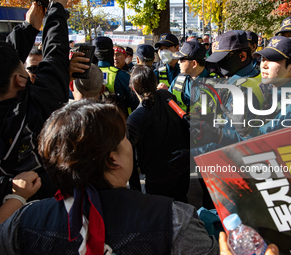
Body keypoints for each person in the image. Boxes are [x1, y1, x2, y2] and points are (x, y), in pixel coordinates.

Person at [0, 100, 219, 254]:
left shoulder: (21, 222)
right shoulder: (175, 219)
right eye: (125, 138)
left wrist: (17, 199)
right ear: (113, 159)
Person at [0, 0, 69, 201]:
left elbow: (6, 62)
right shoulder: (40, 102)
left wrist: (28, 29)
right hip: (47, 202)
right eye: (27, 69)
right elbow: (55, 55)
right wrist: (56, 8)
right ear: (18, 80)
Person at [127, 65, 190, 203]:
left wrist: (135, 191)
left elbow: (129, 159)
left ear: (133, 88)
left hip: (157, 178)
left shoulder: (134, 120)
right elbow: (184, 126)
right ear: (155, 83)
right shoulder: (166, 96)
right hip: (181, 169)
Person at [168, 41, 218, 115]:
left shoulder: (216, 84)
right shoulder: (178, 80)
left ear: (194, 63)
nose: (178, 62)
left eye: (181, 59)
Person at [92, 37, 137, 116]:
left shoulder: (85, 75)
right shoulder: (122, 76)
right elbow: (135, 101)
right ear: (112, 53)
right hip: (118, 123)